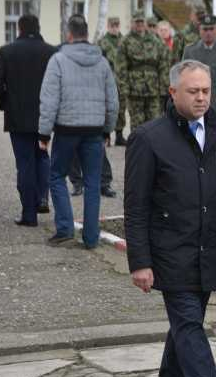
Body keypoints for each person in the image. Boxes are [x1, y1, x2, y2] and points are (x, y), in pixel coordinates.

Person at [124, 59, 216, 377]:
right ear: (173, 93)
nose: (201, 98)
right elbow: (136, 206)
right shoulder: (149, 138)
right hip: (169, 252)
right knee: (190, 325)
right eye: (193, 91)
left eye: (206, 91)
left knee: (185, 325)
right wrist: (140, 262)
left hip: (209, 248)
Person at [38, 14, 117, 248]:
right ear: (86, 33)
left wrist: (44, 134)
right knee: (93, 182)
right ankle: (91, 238)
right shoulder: (102, 62)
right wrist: (107, 131)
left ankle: (64, 228)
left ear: (69, 35)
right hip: (94, 130)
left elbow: (49, 100)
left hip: (66, 129)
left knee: (56, 175)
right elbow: (112, 101)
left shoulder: (58, 60)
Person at [0, 14, 56, 227]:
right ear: (38, 27)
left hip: (18, 118)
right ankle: (42, 197)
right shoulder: (51, 52)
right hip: (44, 116)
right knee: (42, 156)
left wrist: (5, 105)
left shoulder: (7, 51)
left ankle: (29, 214)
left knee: (25, 163)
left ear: (19, 28)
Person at [116, 11, 168, 128]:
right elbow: (121, 68)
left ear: (145, 23)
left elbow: (163, 64)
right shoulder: (125, 41)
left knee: (155, 123)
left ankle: (153, 146)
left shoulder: (156, 41)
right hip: (134, 90)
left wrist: (164, 87)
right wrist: (123, 88)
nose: (139, 24)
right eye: (137, 22)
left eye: (141, 21)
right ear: (132, 23)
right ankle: (137, 146)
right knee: (137, 124)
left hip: (153, 89)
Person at [183, 14, 216, 122]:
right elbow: (184, 79)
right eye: (205, 29)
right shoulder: (190, 51)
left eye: (211, 29)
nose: (208, 32)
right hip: (195, 102)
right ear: (200, 30)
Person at [98, 17, 128, 146]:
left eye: (117, 25)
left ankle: (119, 135)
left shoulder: (125, 41)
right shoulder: (102, 42)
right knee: (107, 107)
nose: (115, 27)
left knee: (121, 107)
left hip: (122, 79)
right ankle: (106, 135)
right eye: (112, 25)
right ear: (108, 26)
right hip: (107, 78)